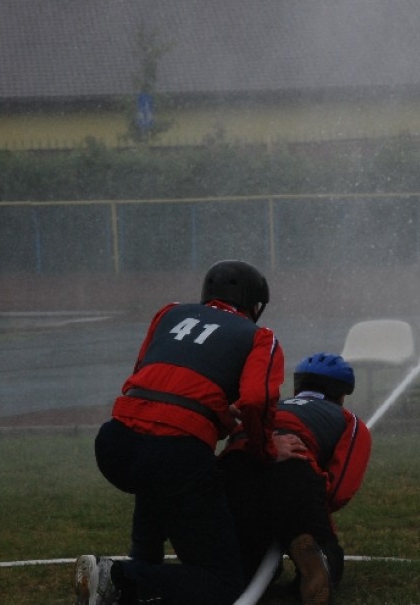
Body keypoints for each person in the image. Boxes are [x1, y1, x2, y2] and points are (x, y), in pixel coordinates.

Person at [74, 259, 290, 605]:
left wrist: (214, 414)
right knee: (223, 584)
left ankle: (133, 574)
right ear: (253, 304)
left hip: (116, 441)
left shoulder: (170, 313)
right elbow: (256, 399)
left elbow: (146, 377)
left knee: (156, 474)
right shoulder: (260, 337)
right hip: (174, 452)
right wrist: (265, 449)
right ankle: (116, 575)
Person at [219, 351, 372, 605]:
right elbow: (339, 490)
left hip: (234, 469)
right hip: (293, 467)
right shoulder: (349, 421)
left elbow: (235, 442)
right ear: (341, 394)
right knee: (324, 547)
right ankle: (317, 555)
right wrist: (307, 509)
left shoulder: (270, 407)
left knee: (247, 556)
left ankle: (240, 572)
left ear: (298, 386)